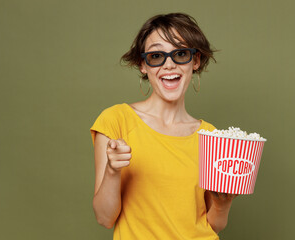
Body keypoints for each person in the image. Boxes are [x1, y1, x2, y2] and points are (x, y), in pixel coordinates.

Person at [90, 13, 237, 240]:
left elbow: (213, 225)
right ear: (143, 65)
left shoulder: (211, 136)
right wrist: (112, 170)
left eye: (180, 54)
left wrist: (222, 203)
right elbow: (104, 218)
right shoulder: (116, 120)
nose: (169, 64)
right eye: (156, 56)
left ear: (195, 61)